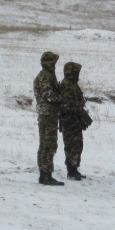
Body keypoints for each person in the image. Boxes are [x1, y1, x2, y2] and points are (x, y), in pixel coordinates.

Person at [33, 51, 64, 186]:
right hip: (48, 115)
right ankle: (46, 175)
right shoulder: (45, 76)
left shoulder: (45, 75)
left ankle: (44, 174)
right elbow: (48, 95)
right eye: (53, 62)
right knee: (49, 144)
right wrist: (61, 98)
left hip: (47, 114)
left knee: (45, 144)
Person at [60, 62, 92, 180]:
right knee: (71, 145)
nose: (78, 74)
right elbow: (69, 105)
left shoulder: (73, 84)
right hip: (69, 120)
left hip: (75, 120)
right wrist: (82, 113)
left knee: (78, 144)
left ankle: (75, 168)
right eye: (76, 72)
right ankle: (71, 170)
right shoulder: (67, 85)